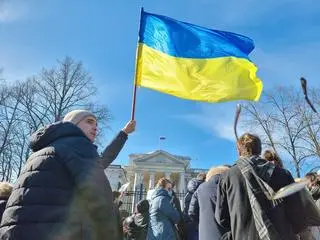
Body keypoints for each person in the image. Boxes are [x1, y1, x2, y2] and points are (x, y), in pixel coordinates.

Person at [0, 109, 135, 240]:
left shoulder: (48, 149)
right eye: (89, 121)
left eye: (96, 124)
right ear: (72, 123)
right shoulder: (78, 145)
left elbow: (101, 162)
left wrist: (123, 134)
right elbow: (100, 198)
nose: (95, 128)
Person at [215, 133, 306, 240]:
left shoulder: (227, 177)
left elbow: (222, 218)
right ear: (259, 150)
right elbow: (297, 214)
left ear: (238, 151)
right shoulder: (283, 174)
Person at [188, 166, 229, 240]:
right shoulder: (230, 185)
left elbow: (192, 213)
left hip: (205, 235)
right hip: (228, 234)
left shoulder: (201, 188)